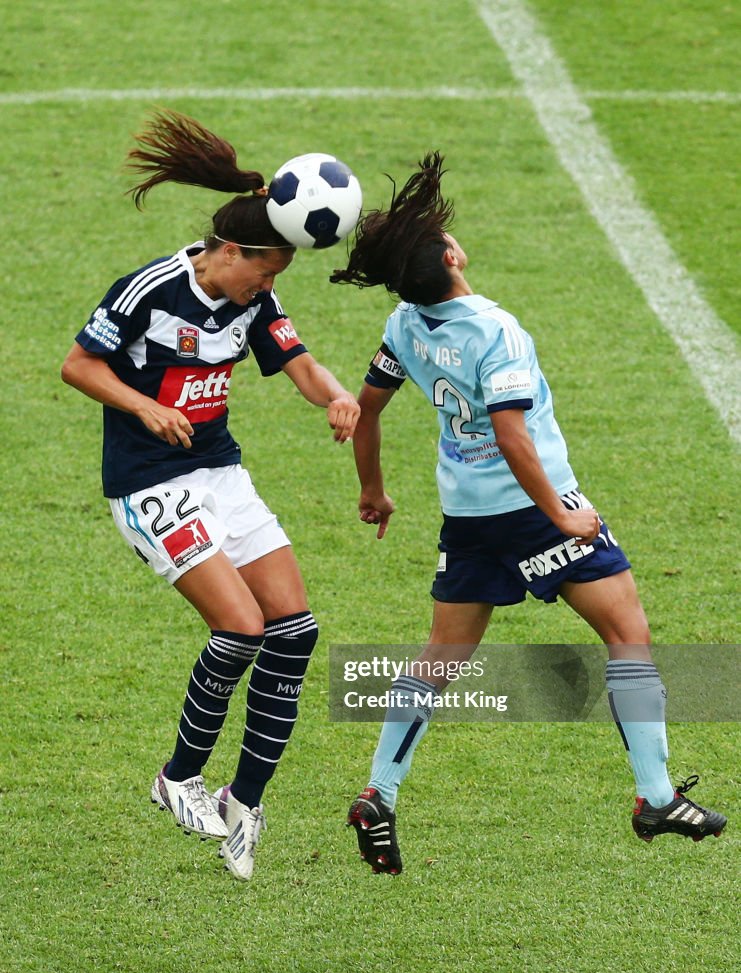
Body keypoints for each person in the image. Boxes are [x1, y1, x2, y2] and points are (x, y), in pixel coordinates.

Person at [329, 152, 727, 875]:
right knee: (626, 634)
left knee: (439, 660)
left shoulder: (402, 325)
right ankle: (655, 796)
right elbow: (512, 433)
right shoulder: (495, 330)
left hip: (468, 518)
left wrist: (372, 490)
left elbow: (367, 412)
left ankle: (379, 793)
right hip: (535, 512)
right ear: (451, 256)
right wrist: (561, 515)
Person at [61, 110, 360, 882]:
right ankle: (176, 778)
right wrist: (144, 406)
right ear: (228, 252)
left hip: (220, 474)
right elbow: (78, 365)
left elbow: (300, 363)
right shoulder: (151, 289)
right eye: (262, 272)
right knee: (240, 628)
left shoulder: (253, 302)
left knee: (295, 630)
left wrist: (335, 398)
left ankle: (244, 801)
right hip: (147, 483)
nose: (267, 287)